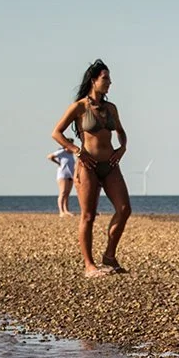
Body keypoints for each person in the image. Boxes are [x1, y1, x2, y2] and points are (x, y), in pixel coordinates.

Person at [50, 59, 132, 276]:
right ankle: (89, 265)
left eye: (109, 79)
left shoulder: (111, 108)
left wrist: (122, 148)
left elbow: (121, 131)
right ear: (93, 80)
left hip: (111, 164)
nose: (109, 83)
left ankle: (109, 256)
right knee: (88, 215)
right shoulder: (79, 107)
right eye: (105, 79)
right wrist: (76, 150)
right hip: (87, 166)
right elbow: (56, 132)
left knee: (124, 209)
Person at [47, 147, 76, 216]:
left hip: (71, 175)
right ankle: (61, 211)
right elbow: (50, 156)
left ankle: (66, 210)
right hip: (63, 175)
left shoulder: (71, 153)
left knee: (67, 193)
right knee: (63, 192)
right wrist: (57, 162)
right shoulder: (62, 152)